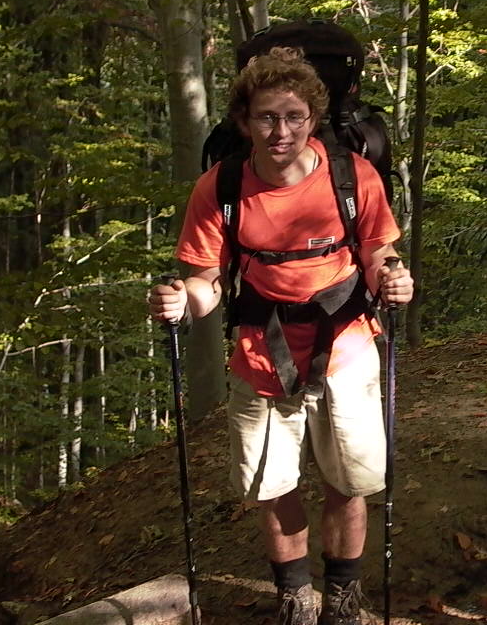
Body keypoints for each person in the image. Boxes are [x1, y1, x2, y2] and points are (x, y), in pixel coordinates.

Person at [149, 47, 413, 625]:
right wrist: (182, 302)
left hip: (346, 346)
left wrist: (393, 278)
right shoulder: (220, 188)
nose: (281, 131)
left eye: (294, 116)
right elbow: (207, 281)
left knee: (350, 481)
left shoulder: (353, 176)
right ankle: (295, 600)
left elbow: (377, 252)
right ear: (244, 122)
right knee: (272, 485)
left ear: (313, 117)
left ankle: (343, 601)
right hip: (261, 353)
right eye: (267, 117)